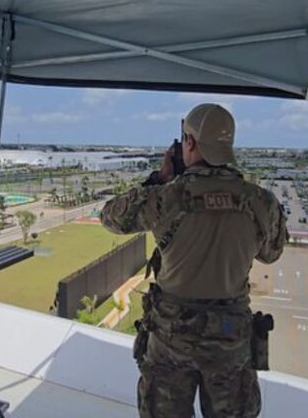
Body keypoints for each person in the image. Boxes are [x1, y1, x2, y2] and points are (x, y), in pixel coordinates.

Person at [101, 103, 287, 417]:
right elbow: (272, 253)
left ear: (188, 143)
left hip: (171, 339)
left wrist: (160, 179)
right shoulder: (261, 202)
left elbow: (110, 217)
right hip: (230, 338)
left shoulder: (166, 197)